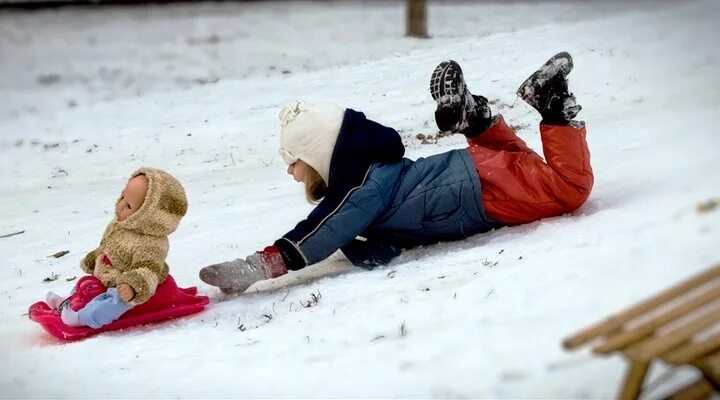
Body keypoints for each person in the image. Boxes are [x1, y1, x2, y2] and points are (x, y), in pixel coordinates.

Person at [199, 51, 593, 294]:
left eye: (294, 159)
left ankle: (552, 102)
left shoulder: (362, 187)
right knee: (515, 157)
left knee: (569, 189)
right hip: (476, 172)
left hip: (480, 190)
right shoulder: (374, 171)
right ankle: (475, 118)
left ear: (319, 153)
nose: (290, 169)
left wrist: (259, 266)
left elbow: (326, 227)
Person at [45, 167, 189, 328]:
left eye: (128, 205)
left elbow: (148, 269)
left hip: (131, 286)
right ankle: (68, 302)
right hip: (109, 274)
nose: (120, 205)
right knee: (87, 284)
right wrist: (96, 257)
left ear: (149, 216)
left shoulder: (151, 243)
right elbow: (109, 246)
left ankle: (84, 318)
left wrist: (133, 286)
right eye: (122, 197)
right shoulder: (120, 225)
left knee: (115, 301)